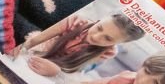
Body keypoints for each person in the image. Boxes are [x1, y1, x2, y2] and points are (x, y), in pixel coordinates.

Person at [11, 12, 145, 78]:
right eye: (99, 28)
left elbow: (77, 70)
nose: (95, 37)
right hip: (36, 52)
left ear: (117, 43)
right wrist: (22, 46)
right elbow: (35, 40)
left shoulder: (108, 52)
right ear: (99, 20)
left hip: (53, 70)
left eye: (108, 39)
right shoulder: (75, 22)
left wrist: (57, 71)